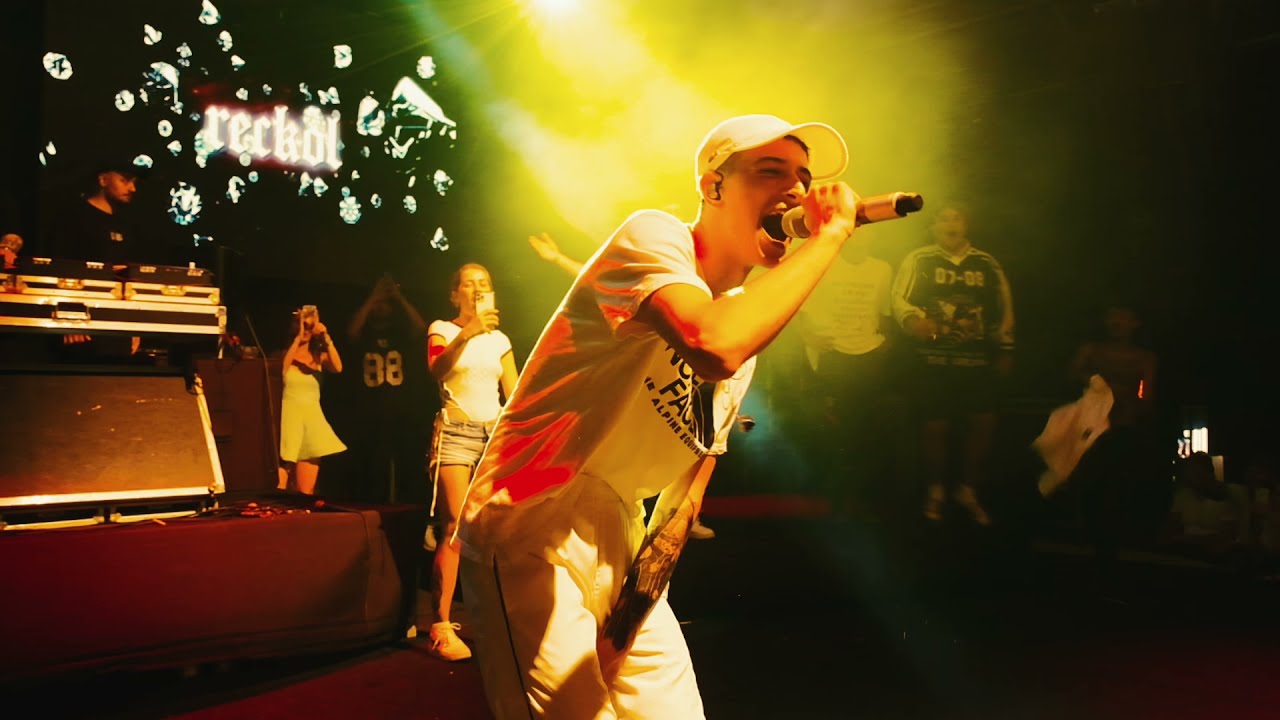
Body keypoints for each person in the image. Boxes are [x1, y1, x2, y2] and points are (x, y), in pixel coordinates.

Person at [458, 113, 856, 719]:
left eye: (803, 178)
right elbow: (712, 343)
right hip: (529, 518)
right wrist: (830, 237)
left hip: (621, 533)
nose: (797, 192)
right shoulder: (655, 236)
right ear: (713, 186)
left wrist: (619, 636)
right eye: (770, 172)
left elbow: (680, 507)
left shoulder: (743, 332)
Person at [527, 231, 722, 541]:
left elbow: (710, 443)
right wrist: (559, 259)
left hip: (626, 503)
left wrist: (682, 516)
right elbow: (612, 285)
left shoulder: (735, 351)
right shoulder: (665, 285)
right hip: (576, 480)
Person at [891, 203, 1015, 526]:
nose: (951, 224)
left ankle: (967, 490)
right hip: (933, 359)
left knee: (982, 423)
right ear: (933, 227)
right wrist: (912, 319)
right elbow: (898, 298)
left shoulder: (986, 263)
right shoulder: (919, 259)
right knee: (936, 426)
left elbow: (1004, 306)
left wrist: (1006, 348)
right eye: (944, 218)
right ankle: (935, 490)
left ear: (966, 225)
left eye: (957, 217)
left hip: (977, 360)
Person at [424, 263, 519, 662]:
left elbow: (513, 393)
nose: (477, 288)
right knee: (455, 527)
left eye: (484, 283)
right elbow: (436, 369)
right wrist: (468, 332)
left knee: (496, 529)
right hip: (456, 433)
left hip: (493, 435)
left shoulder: (500, 340)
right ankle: (442, 626)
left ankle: (498, 618)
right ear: (455, 294)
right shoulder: (442, 329)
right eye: (468, 283)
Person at [794, 224, 898, 519]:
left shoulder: (881, 269)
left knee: (864, 429)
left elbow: (884, 312)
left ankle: (860, 500)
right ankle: (828, 499)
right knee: (831, 428)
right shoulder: (825, 262)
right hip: (830, 352)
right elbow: (799, 305)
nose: (861, 235)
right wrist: (807, 337)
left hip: (868, 353)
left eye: (867, 231)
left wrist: (886, 343)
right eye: (857, 229)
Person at [341, 273, 430, 504]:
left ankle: (405, 511)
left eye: (385, 304)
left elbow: (421, 328)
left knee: (404, 466)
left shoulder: (401, 332)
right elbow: (351, 332)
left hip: (401, 412)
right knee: (372, 469)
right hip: (369, 412)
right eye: (377, 304)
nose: (381, 308)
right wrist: (374, 297)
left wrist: (398, 297)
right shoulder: (364, 332)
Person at [278, 305, 346, 495]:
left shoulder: (319, 356)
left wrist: (325, 336)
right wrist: (297, 339)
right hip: (287, 422)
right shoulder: (285, 354)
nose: (306, 330)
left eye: (309, 326)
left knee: (305, 492)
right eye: (302, 325)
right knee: (279, 490)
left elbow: (338, 367)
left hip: (311, 423)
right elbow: (280, 371)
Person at [47, 156, 156, 267]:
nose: (133, 188)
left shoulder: (129, 224)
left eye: (134, 182)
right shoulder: (73, 218)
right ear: (103, 180)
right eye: (125, 180)